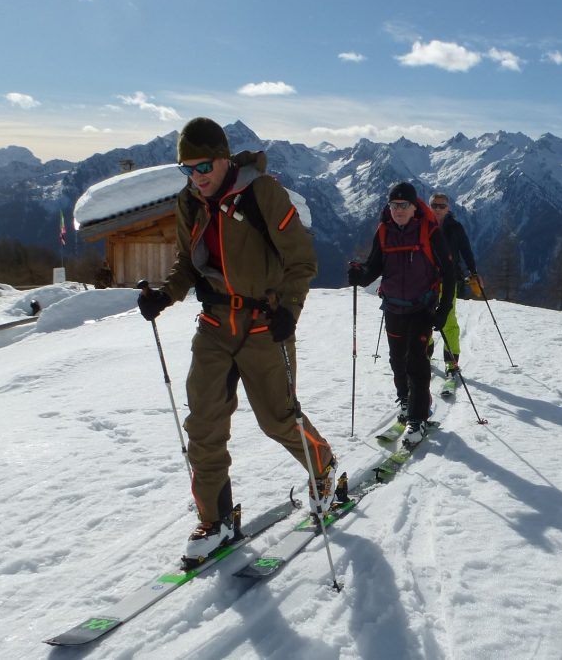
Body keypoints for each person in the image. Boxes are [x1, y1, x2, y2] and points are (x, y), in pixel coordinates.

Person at [136, 116, 336, 563]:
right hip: (214, 324)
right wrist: (164, 295)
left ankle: (322, 468)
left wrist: (289, 310)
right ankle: (216, 519)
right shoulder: (189, 202)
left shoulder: (262, 193)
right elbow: (188, 262)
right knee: (204, 424)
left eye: (203, 165)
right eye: (187, 168)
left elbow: (302, 261)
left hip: (264, 323)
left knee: (277, 418)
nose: (197, 176)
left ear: (225, 159)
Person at [347, 182, 456, 445]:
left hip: (422, 306)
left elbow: (449, 272)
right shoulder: (384, 232)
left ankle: (417, 419)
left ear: (413, 206)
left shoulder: (429, 231)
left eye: (403, 205)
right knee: (397, 360)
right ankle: (406, 402)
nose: (398, 210)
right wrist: (359, 275)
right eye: (393, 205)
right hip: (393, 306)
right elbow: (374, 267)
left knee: (416, 362)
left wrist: (444, 308)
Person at [425, 192, 478, 378]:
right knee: (424, 319)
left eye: (442, 206)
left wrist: (473, 271)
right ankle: (426, 356)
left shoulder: (455, 228)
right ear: (429, 206)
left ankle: (451, 362)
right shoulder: (422, 225)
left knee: (448, 320)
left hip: (448, 280)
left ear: (448, 208)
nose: (438, 209)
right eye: (435, 205)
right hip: (425, 279)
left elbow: (466, 250)